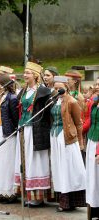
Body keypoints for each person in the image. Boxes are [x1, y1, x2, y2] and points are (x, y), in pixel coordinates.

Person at [15, 62, 52, 207]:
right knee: (24, 159)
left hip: (35, 129)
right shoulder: (24, 90)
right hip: (23, 127)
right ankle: (27, 193)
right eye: (24, 73)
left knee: (34, 159)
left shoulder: (43, 91)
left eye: (28, 73)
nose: (24, 75)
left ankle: (37, 196)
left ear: (36, 76)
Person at [50, 75, 86, 212]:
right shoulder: (54, 101)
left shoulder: (72, 101)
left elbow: (78, 124)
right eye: (55, 88)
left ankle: (68, 201)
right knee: (59, 168)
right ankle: (62, 199)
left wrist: (81, 143)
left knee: (67, 169)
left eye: (60, 88)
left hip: (67, 139)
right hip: (55, 137)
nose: (58, 90)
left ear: (66, 87)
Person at [0, 75, 19, 203]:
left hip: (8, 132)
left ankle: (9, 192)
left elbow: (15, 117)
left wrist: (12, 132)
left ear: (4, 85)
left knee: (7, 162)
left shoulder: (12, 98)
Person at [86, 78, 99, 219]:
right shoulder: (95, 101)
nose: (96, 86)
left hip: (98, 144)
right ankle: (95, 209)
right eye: (95, 84)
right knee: (93, 178)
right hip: (92, 140)